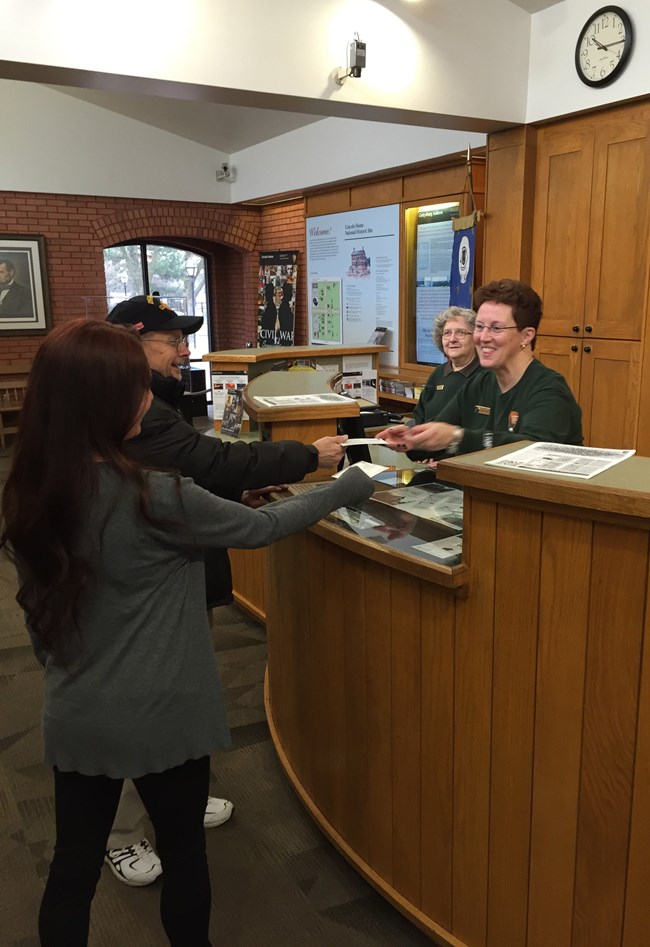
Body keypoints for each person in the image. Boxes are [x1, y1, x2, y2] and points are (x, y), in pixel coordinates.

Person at [0, 319, 374, 947]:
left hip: (76, 710)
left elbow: (41, 618)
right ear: (109, 401)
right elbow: (260, 530)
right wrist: (351, 484)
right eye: (136, 387)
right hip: (165, 710)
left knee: (71, 867)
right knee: (185, 857)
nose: (149, 397)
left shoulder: (32, 495)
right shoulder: (154, 494)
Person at [103, 294, 349, 885]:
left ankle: (177, 802)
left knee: (182, 694)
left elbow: (199, 480)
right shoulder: (130, 409)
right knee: (139, 706)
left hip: (177, 574)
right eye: (172, 340)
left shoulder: (155, 399)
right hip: (141, 593)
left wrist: (230, 499)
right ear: (133, 344)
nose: (184, 350)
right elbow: (211, 464)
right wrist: (311, 458)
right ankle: (122, 833)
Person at [378, 279, 583, 457]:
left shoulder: (549, 390)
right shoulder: (480, 383)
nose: (483, 337)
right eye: (479, 326)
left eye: (496, 328)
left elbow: (531, 452)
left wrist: (457, 437)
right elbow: (439, 435)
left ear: (526, 336)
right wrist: (411, 439)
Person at [407, 305, 482, 462]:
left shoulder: (485, 376)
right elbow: (419, 416)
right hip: (426, 457)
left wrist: (444, 458)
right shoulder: (438, 373)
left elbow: (477, 431)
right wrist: (422, 449)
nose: (452, 339)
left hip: (462, 461)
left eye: (460, 332)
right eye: (447, 333)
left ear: (475, 337)